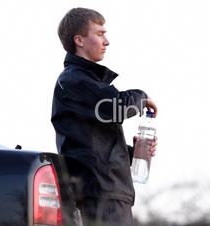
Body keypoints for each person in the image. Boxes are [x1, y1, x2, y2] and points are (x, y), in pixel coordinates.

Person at [51, 7, 158, 225]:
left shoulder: (87, 83)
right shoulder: (74, 80)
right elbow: (115, 108)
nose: (106, 41)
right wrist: (141, 97)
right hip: (99, 192)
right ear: (79, 40)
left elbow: (91, 143)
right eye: (100, 34)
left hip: (108, 191)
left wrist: (131, 152)